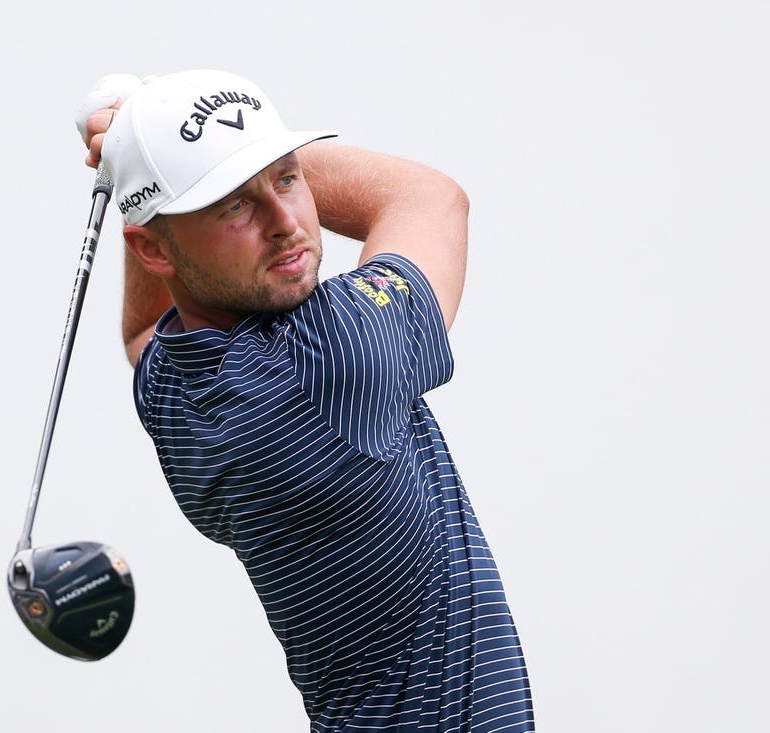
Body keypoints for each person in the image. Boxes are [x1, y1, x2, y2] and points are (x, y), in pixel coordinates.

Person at [77, 69, 535, 732]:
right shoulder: (334, 359)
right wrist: (155, 132)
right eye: (234, 203)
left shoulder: (177, 389)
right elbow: (431, 198)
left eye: (286, 176)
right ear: (153, 246)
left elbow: (143, 329)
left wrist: (146, 152)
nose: (286, 223)